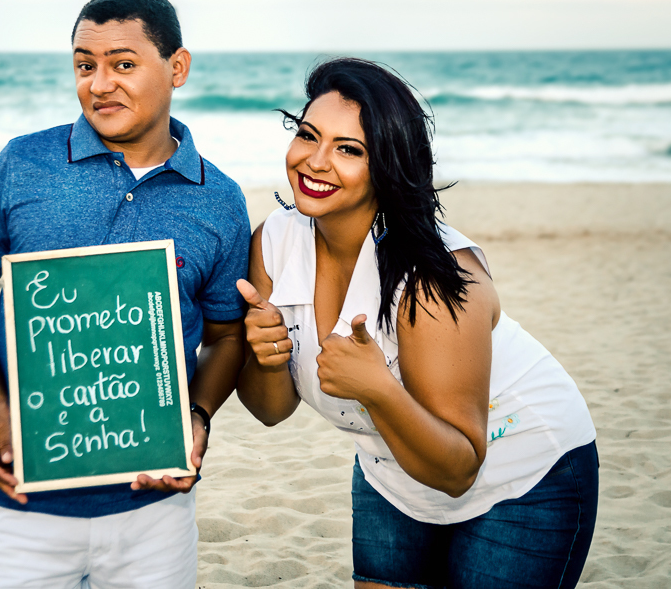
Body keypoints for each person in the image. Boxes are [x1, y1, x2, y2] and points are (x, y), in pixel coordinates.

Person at [236, 58, 598, 589]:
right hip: (391, 474)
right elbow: (271, 411)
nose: (314, 162)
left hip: (522, 472)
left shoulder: (432, 280)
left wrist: (379, 388)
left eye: (349, 150)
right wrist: (266, 358)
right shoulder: (274, 243)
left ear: (388, 165)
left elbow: (458, 468)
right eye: (308, 136)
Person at [0, 0, 250, 589]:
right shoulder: (22, 165)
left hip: (154, 511)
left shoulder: (219, 199)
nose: (99, 84)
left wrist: (200, 415)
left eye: (123, 64)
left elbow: (226, 336)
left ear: (176, 68)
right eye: (85, 65)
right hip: (21, 507)